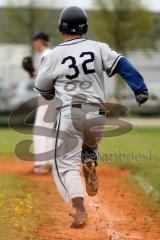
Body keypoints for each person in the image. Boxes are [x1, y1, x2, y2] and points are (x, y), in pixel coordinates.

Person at [35, 7, 149, 228]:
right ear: (85, 27)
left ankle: (79, 209)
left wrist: (53, 93)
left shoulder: (54, 54)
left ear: (61, 27)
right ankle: (90, 156)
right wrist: (140, 88)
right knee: (89, 142)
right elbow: (122, 64)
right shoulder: (97, 48)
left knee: (66, 166)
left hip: (70, 113)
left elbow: (42, 87)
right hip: (97, 114)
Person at [32, 32, 55, 174]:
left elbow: (46, 77)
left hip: (47, 97)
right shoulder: (51, 54)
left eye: (35, 41)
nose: (34, 44)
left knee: (39, 129)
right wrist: (34, 73)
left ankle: (42, 163)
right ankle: (50, 162)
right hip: (54, 97)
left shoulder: (46, 54)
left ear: (39, 41)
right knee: (45, 129)